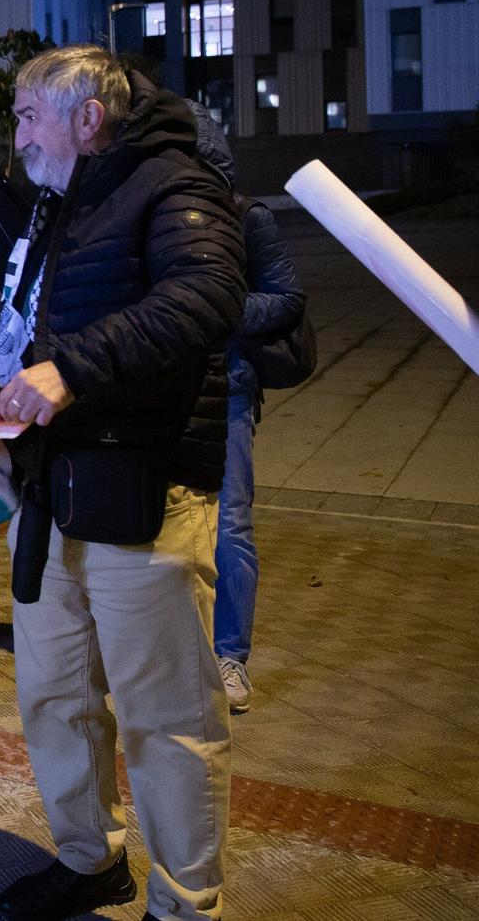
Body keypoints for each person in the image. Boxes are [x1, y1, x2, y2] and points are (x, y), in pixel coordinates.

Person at [0, 46, 243, 921]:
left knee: (165, 718)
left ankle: (185, 901)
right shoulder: (62, 205)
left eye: (24, 115)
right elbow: (32, 306)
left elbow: (207, 295)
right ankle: (91, 859)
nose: (14, 137)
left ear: (86, 117)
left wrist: (72, 371)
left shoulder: (174, 185)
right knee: (53, 694)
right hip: (55, 490)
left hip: (146, 490)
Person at [190, 102, 304, 715]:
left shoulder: (244, 217)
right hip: (161, 390)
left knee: (230, 524)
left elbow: (287, 299)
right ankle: (177, 653)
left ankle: (229, 656)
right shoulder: (153, 213)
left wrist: (217, 311)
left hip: (229, 386)